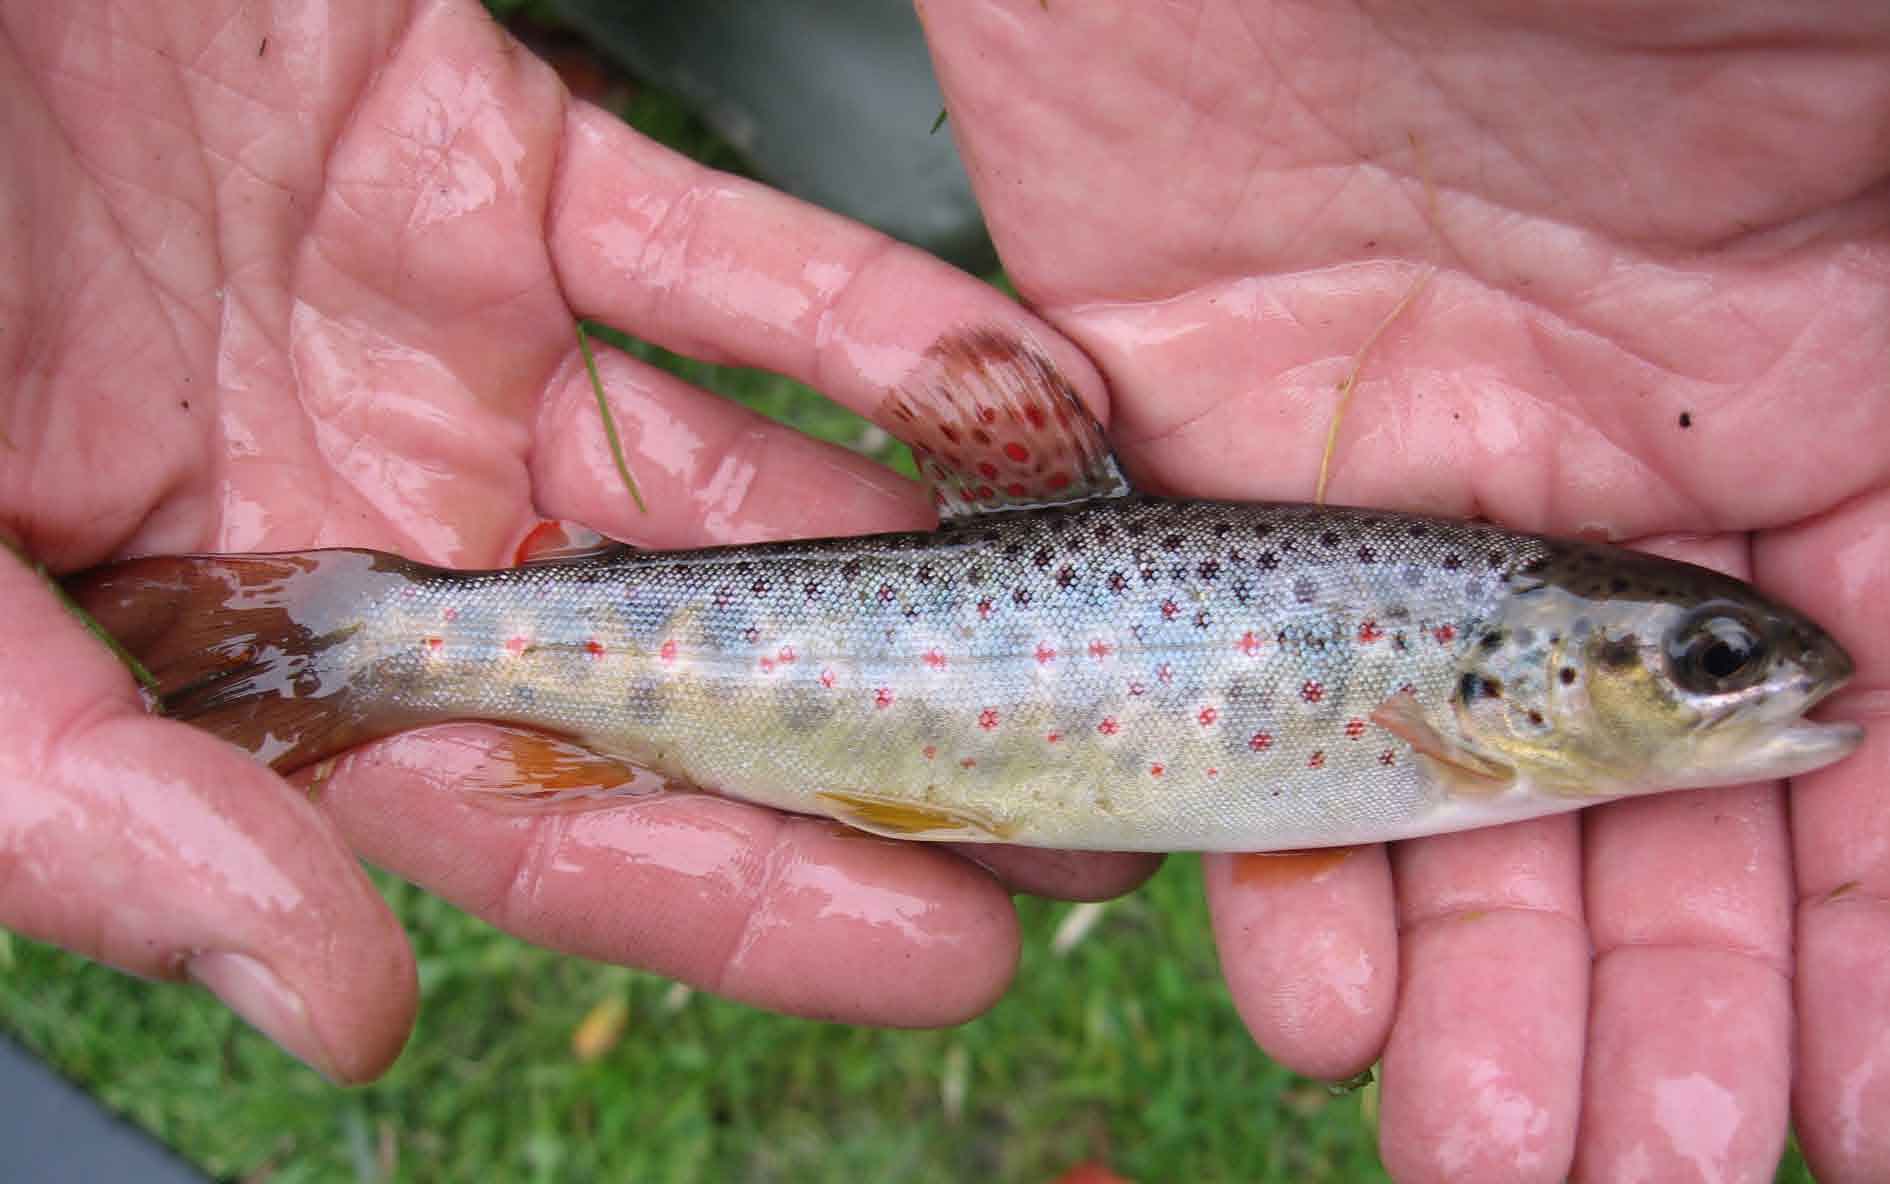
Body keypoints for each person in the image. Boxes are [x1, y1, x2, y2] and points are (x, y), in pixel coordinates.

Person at [1, 1, 1882, 1181]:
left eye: (1707, 659)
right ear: (1516, 679)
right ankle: (385, 644)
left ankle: (381, 653)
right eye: (1702, 661)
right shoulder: (1436, 705)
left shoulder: (1456, 695)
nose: (1749, 682)